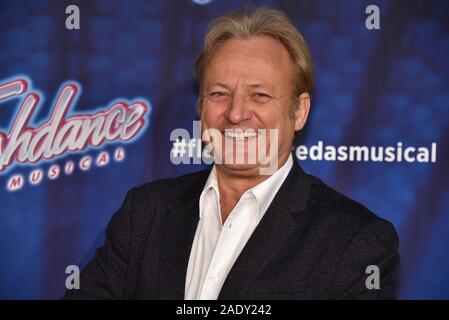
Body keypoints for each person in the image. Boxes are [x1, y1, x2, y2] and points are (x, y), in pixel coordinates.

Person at [65, 7, 399, 300]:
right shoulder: (144, 213)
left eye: (260, 95)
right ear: (200, 106)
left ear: (299, 112)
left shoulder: (354, 239)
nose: (237, 114)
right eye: (220, 94)